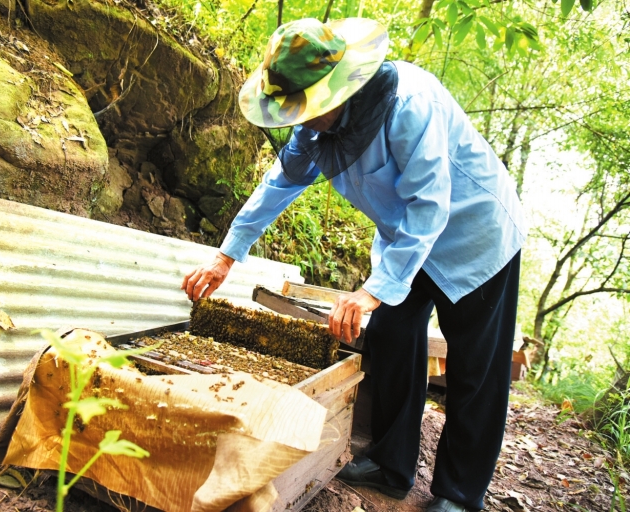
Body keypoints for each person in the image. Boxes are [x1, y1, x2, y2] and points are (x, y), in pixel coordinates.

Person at [182, 17, 526, 512]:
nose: (298, 118)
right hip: (403, 240)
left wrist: (370, 292)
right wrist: (225, 256)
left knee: (475, 364)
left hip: (475, 236)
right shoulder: (314, 130)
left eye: (305, 107)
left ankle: (459, 493)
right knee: (390, 335)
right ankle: (391, 464)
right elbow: (279, 184)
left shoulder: (410, 105)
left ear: (337, 88)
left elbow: (430, 205)